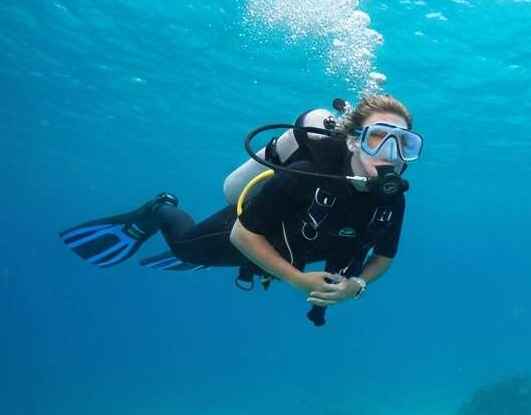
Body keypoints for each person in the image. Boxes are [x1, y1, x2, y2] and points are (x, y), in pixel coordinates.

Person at [60, 94, 421, 324]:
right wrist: (297, 279)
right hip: (253, 231)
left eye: (403, 143)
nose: (391, 153)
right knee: (185, 247)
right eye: (377, 137)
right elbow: (241, 234)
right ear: (354, 143)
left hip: (294, 249)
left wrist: (356, 284)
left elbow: (384, 255)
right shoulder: (304, 175)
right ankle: (160, 209)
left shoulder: (393, 199)